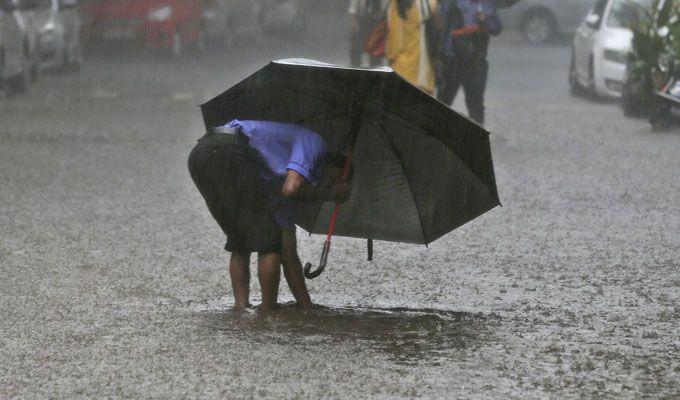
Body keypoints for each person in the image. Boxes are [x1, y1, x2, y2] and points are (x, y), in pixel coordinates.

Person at [188, 120, 351, 311]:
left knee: (240, 239)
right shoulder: (314, 143)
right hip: (229, 148)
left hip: (201, 155)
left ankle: (241, 308)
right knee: (270, 243)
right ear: (334, 170)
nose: (329, 190)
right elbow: (291, 189)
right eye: (335, 182)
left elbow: (289, 252)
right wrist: (330, 194)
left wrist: (306, 306)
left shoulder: (280, 178)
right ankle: (268, 310)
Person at [436, 0, 502, 125]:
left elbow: (497, 27)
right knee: (443, 101)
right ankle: (435, 137)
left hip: (476, 60)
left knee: (475, 104)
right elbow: (441, 26)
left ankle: (477, 138)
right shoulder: (451, 2)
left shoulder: (487, 4)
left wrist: (486, 20)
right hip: (453, 59)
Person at [386, 0, 439, 94]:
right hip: (423, 64)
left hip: (403, 64)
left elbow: (395, 37)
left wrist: (390, 57)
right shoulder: (426, 3)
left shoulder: (397, 4)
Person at [348, 0, 389, 67]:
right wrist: (354, 22)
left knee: (375, 47)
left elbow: (387, 7)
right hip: (362, 19)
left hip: (377, 20)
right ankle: (354, 67)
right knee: (357, 46)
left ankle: (375, 68)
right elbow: (353, 7)